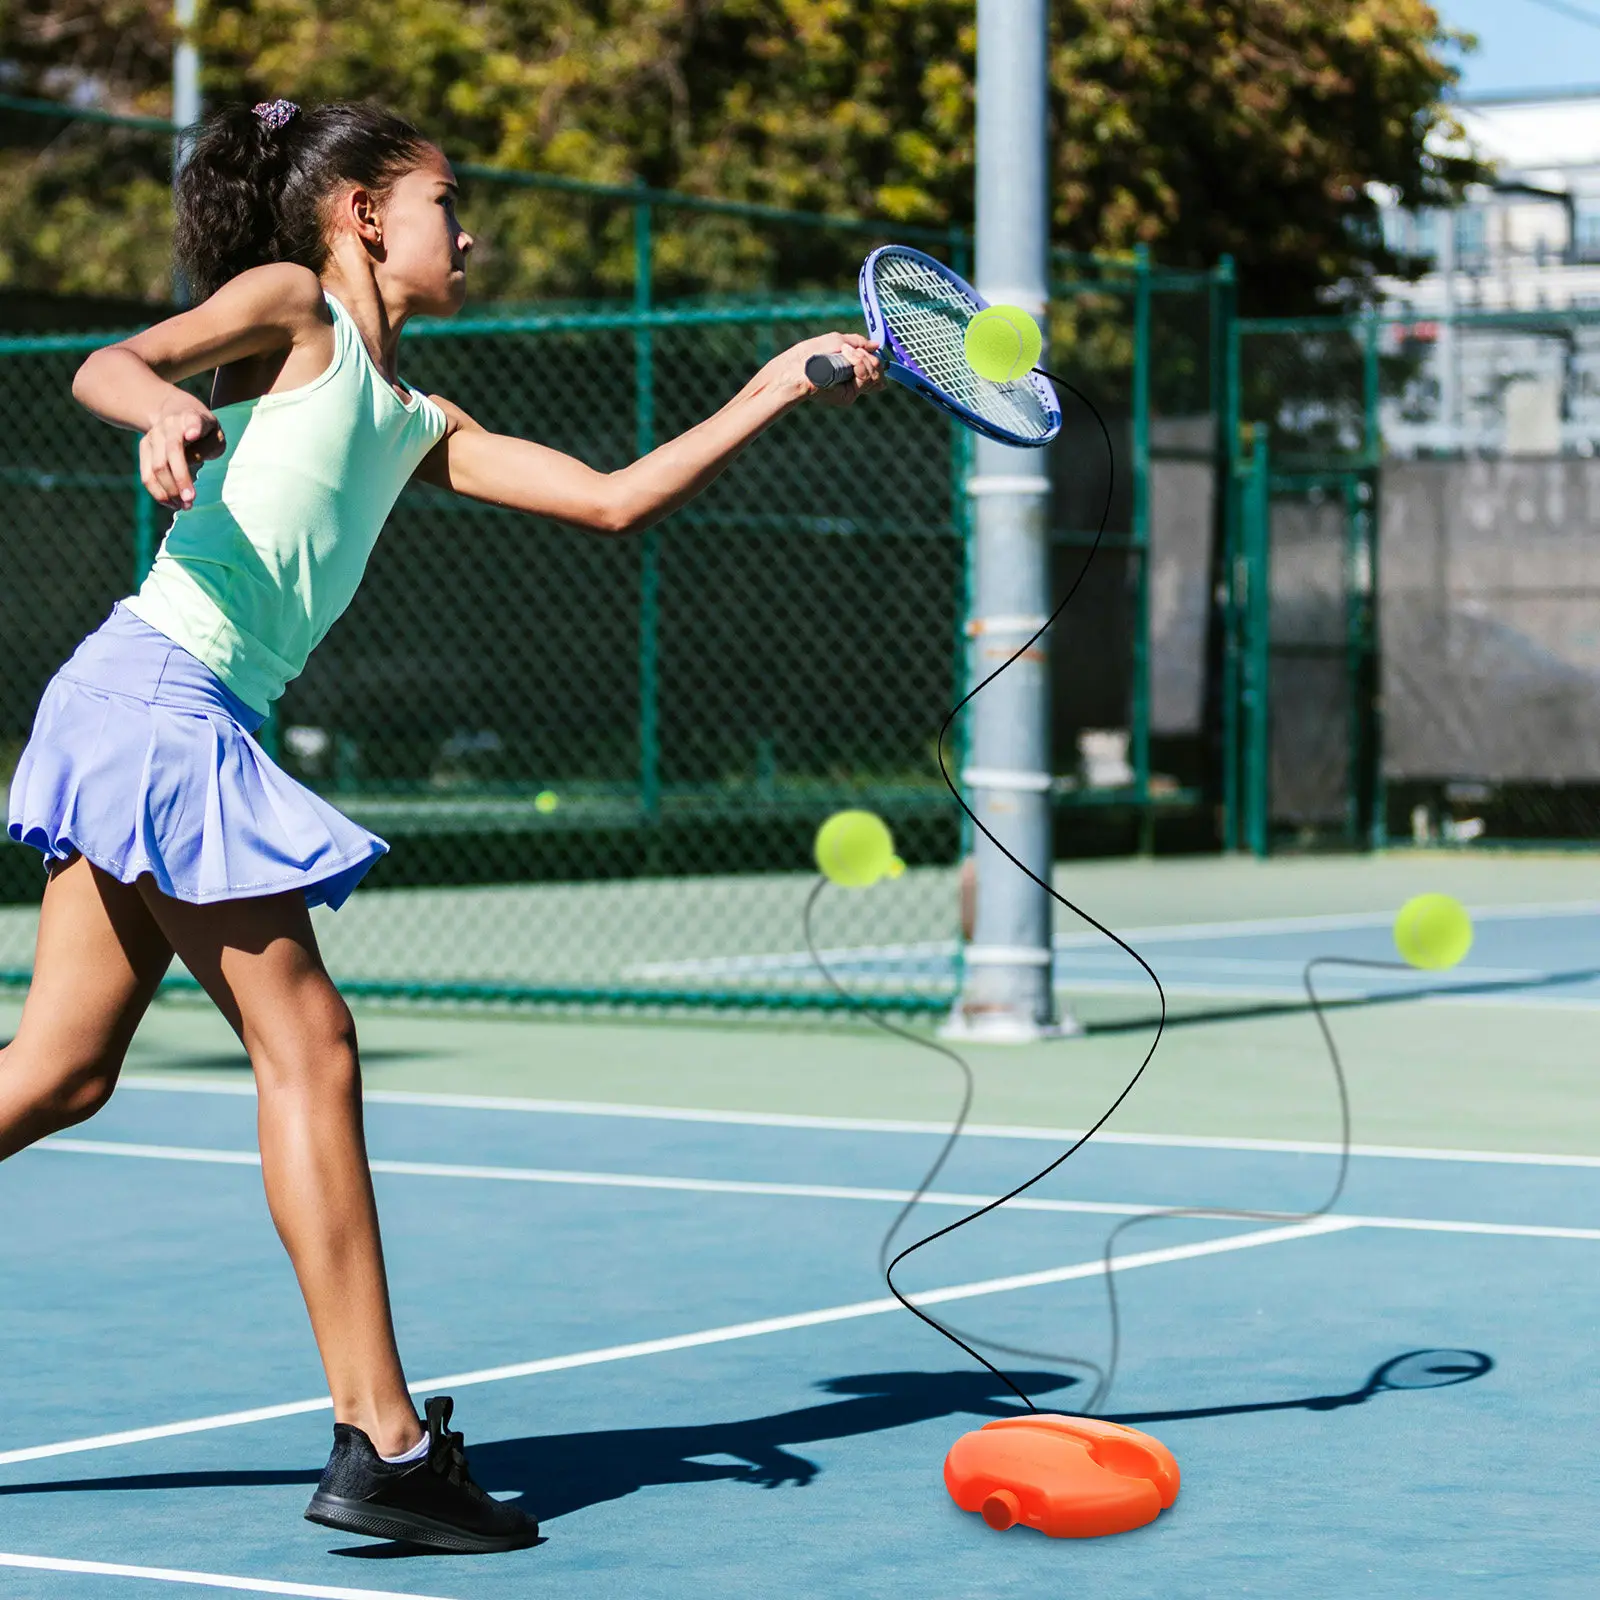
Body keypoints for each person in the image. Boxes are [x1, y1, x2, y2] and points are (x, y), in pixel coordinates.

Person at [3, 97, 882, 1554]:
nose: (465, 230)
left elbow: (611, 503)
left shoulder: (419, 418)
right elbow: (114, 362)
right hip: (161, 697)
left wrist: (778, 385)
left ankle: (385, 1444)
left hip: (140, 703)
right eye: (441, 201)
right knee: (314, 1049)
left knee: (58, 1073)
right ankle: (388, 1447)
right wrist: (160, 405)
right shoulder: (295, 309)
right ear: (359, 214)